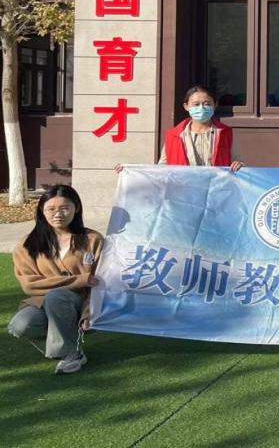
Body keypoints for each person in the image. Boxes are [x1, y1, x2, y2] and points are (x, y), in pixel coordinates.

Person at [8, 185, 103, 375]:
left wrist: (88, 312)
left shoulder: (93, 239)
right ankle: (71, 348)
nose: (58, 214)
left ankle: (71, 356)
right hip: (42, 302)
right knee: (20, 325)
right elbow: (29, 285)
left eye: (64, 208)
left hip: (80, 302)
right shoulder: (27, 244)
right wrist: (80, 279)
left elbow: (100, 283)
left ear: (76, 208)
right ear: (41, 211)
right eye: (51, 209)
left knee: (57, 296)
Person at [115, 84, 244, 172]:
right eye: (196, 104)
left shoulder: (226, 133)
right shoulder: (174, 135)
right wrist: (130, 171)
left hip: (217, 192)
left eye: (207, 104)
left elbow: (238, 162)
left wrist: (239, 165)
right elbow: (162, 168)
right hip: (184, 194)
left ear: (215, 105)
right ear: (186, 106)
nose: (201, 108)